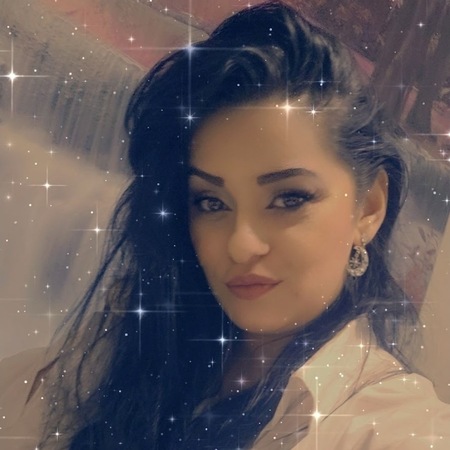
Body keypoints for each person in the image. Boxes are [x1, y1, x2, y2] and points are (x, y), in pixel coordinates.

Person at [0, 1, 449, 449]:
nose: (241, 245)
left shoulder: (396, 430)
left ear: (368, 208)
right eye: (211, 202)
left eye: (289, 198)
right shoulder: (120, 353)